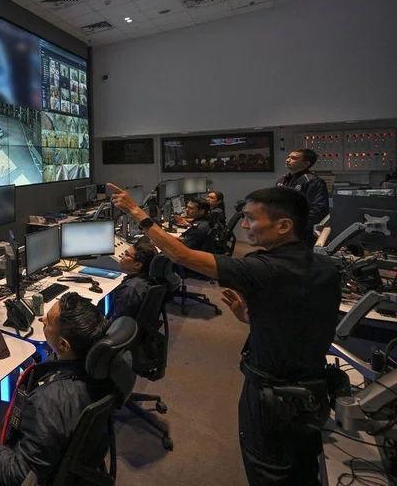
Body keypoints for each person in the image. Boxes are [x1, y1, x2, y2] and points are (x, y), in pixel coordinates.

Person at [108, 183, 340, 485]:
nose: (245, 225)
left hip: (273, 399)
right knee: (301, 472)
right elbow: (302, 318)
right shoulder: (325, 266)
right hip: (312, 390)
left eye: (252, 219)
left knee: (269, 473)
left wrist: (135, 211)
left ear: (283, 225)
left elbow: (181, 255)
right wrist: (251, 317)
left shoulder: (265, 269)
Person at [0, 294, 110, 486]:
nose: (42, 320)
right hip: (51, 443)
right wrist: (39, 375)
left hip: (16, 464)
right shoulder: (98, 368)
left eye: (48, 323)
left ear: (63, 344)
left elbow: (19, 476)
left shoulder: (46, 403)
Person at [277, 148, 329, 245]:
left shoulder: (313, 182)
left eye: (294, 158)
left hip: (302, 233)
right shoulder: (282, 180)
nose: (288, 160)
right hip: (282, 229)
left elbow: (318, 209)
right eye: (289, 157)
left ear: (306, 164)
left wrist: (297, 227)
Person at [110, 241, 158, 321]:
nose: (122, 256)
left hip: (119, 330)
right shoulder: (147, 279)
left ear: (138, 265)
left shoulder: (130, 289)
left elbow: (118, 321)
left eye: (127, 254)